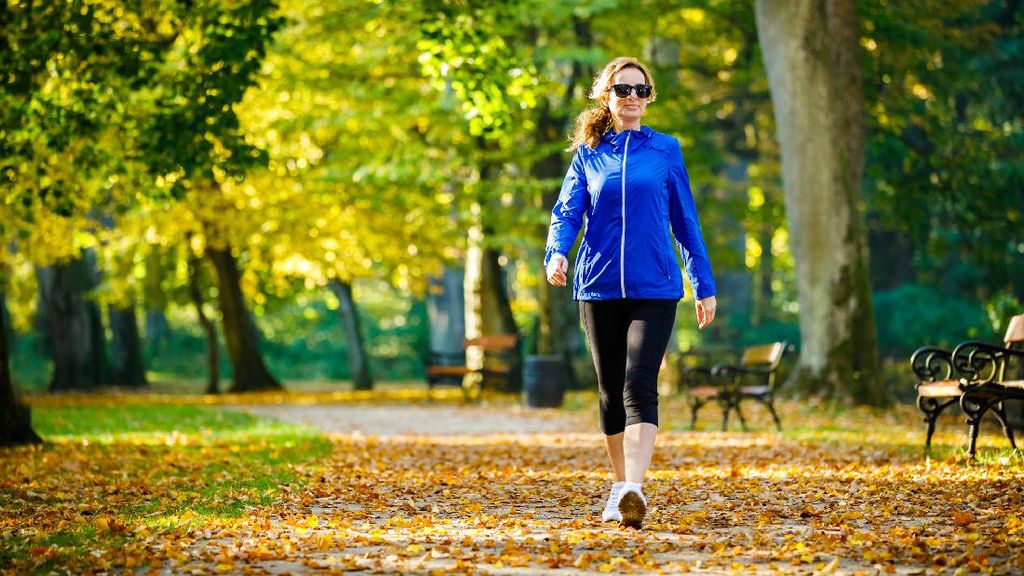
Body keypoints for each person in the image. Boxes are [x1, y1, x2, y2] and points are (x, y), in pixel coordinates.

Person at [544, 56, 717, 529]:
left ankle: (635, 488)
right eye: (623, 90)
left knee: (640, 384)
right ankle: (620, 486)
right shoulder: (588, 154)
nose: (633, 98)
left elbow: (685, 221)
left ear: (649, 97)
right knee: (609, 394)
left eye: (642, 91)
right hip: (597, 286)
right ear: (607, 97)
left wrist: (702, 283)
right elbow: (567, 212)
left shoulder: (665, 150)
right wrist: (557, 253)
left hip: (656, 286)